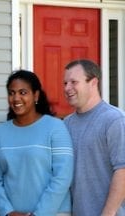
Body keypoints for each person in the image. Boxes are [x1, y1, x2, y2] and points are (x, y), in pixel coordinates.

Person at [0, 70, 74, 216]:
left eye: (23, 92)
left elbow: (62, 177)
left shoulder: (56, 128)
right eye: (11, 93)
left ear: (36, 95)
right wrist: (8, 211)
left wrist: (39, 214)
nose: (16, 98)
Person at [63, 59, 125, 216]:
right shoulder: (67, 123)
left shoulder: (114, 119)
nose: (67, 88)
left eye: (73, 82)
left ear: (93, 82)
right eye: (65, 83)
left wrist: (108, 213)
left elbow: (123, 170)